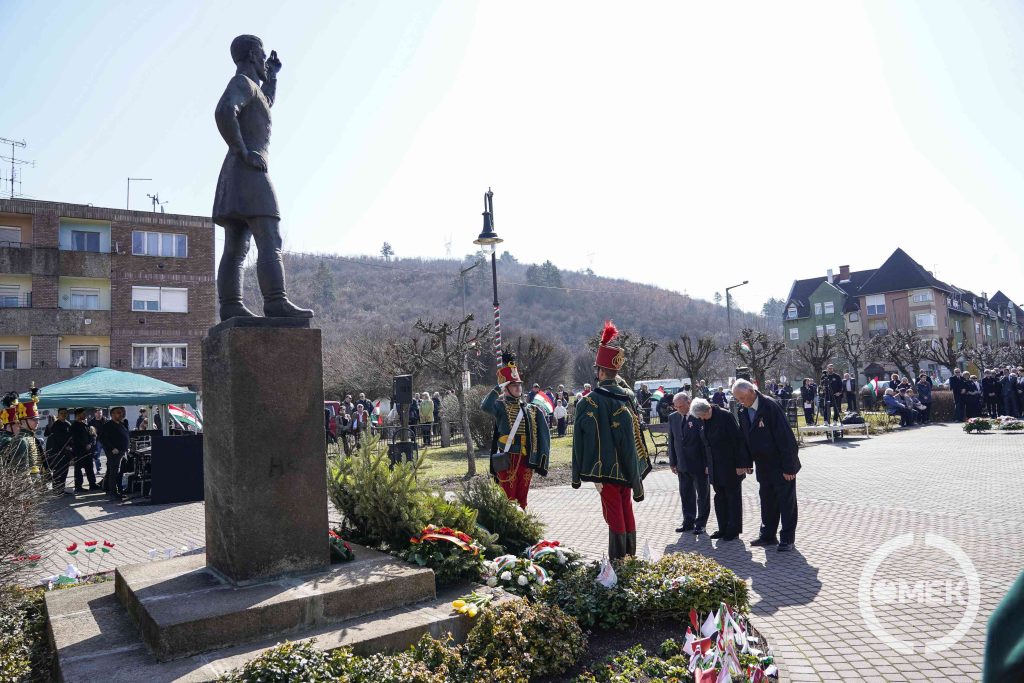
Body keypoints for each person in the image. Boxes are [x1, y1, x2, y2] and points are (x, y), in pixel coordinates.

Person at [213, 34, 311, 320]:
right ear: (254, 55)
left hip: (233, 176)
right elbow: (223, 111)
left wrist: (273, 78)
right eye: (263, 56)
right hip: (249, 171)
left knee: (236, 243)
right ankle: (275, 301)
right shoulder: (242, 83)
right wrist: (243, 151)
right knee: (270, 237)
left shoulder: (252, 88)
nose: (264, 61)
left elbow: (265, 101)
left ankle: (231, 305)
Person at [571, 321, 651, 559]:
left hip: (603, 468)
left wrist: (578, 475)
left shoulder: (588, 402)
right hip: (628, 467)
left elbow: (579, 442)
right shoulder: (628, 397)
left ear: (600, 372)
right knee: (626, 508)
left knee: (614, 513)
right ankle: (630, 554)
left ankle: (619, 560)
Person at [732, 380, 800, 552]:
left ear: (750, 391)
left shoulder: (769, 406)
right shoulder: (742, 410)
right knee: (767, 500)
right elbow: (744, 438)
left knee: (786, 502)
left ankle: (787, 538)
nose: (740, 401)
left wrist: (789, 467)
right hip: (763, 465)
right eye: (737, 399)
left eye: (741, 397)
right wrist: (746, 463)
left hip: (781, 464)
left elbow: (786, 438)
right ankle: (768, 535)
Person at [482, 353, 550, 509]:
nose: (518, 387)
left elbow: (543, 436)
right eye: (513, 385)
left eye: (519, 384)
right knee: (508, 498)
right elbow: (485, 406)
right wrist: (497, 388)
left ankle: (522, 527)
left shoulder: (530, 409)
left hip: (526, 457)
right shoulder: (500, 406)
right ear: (506, 389)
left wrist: (540, 460)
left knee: (522, 498)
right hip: (507, 457)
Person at [691, 397, 747, 542]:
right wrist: (707, 465)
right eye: (700, 417)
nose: (702, 419)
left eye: (703, 416)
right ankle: (722, 528)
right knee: (719, 498)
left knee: (732, 498)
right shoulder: (703, 420)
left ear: (708, 409)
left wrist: (741, 465)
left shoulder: (725, 416)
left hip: (730, 465)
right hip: (714, 466)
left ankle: (733, 530)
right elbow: (705, 445)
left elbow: (738, 441)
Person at [668, 392, 710, 536]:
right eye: (677, 407)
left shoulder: (697, 415)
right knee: (686, 493)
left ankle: (701, 523)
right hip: (682, 463)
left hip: (698, 462)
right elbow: (672, 440)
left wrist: (707, 463)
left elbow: (705, 442)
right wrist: (673, 461)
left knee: (702, 495)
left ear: (689, 402)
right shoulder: (673, 418)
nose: (679, 409)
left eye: (682, 406)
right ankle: (688, 521)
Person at [99, 407, 130, 498]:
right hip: (114, 452)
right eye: (119, 413)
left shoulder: (122, 424)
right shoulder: (108, 425)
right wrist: (112, 448)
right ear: (112, 414)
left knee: (120, 472)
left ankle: (119, 490)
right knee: (114, 472)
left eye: (122, 412)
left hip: (123, 451)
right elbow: (102, 438)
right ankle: (113, 492)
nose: (121, 414)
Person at [44, 407, 73, 496]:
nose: (63, 415)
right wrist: (66, 446)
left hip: (66, 453)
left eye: (65, 413)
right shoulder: (56, 425)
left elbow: (71, 436)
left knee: (64, 471)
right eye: (61, 413)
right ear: (58, 414)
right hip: (57, 452)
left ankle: (61, 489)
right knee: (58, 472)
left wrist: (71, 446)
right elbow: (58, 439)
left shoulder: (68, 424)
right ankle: (56, 491)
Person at [70, 408, 99, 493]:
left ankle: (92, 484)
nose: (85, 415)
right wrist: (84, 445)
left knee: (90, 468)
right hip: (78, 451)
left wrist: (90, 444)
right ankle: (78, 486)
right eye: (83, 414)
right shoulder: (74, 426)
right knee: (78, 470)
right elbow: (76, 439)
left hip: (88, 451)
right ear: (78, 415)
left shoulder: (85, 425)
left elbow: (92, 435)